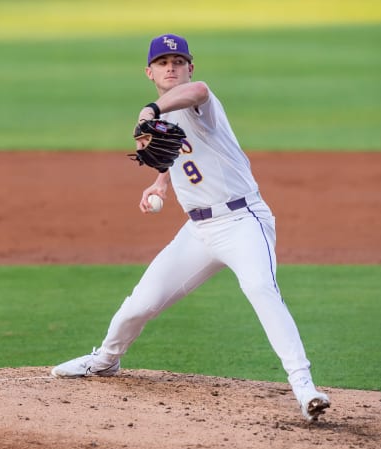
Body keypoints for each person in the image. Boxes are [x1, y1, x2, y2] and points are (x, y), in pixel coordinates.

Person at [51, 34, 330, 421]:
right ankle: (105, 361)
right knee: (139, 304)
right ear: (149, 71)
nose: (171, 67)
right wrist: (161, 182)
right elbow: (180, 156)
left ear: (189, 67)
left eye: (178, 61)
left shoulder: (198, 100)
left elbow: (198, 92)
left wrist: (150, 109)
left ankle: (304, 388)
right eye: (163, 62)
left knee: (260, 288)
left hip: (242, 221)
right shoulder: (163, 118)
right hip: (197, 231)